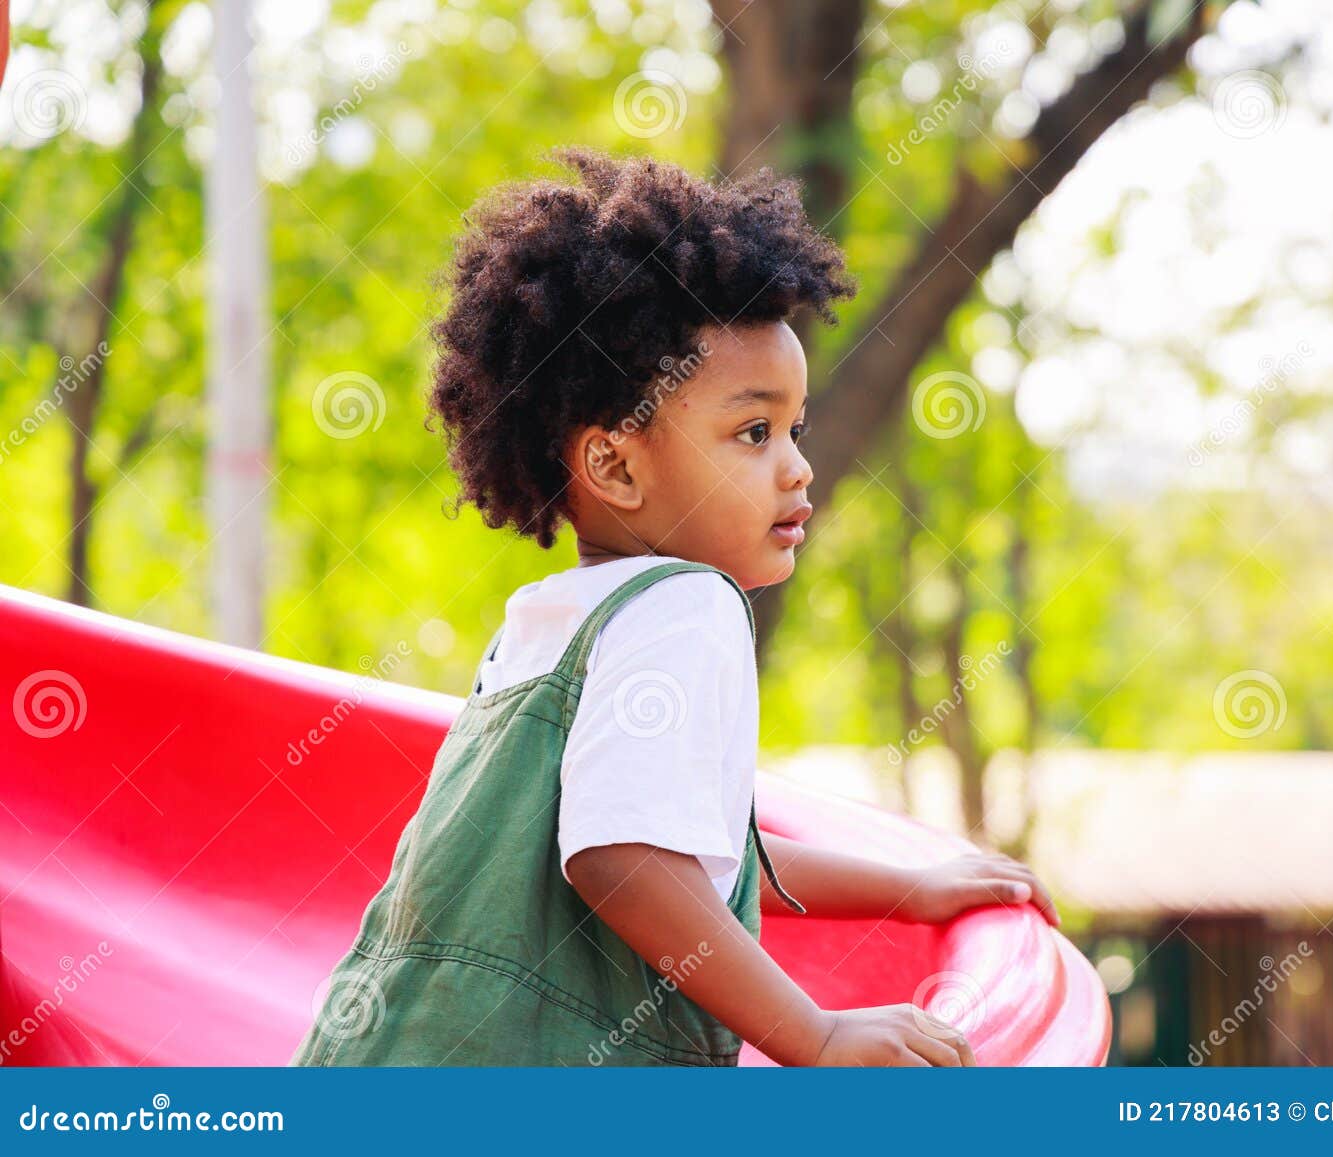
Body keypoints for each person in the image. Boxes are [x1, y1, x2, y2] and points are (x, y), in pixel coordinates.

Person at [291, 149, 1058, 1068]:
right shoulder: (686, 608)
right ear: (615, 463)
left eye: (796, 429)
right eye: (752, 432)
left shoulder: (550, 620)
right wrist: (813, 1034)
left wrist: (908, 887)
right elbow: (624, 859)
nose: (797, 465)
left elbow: (702, 858)